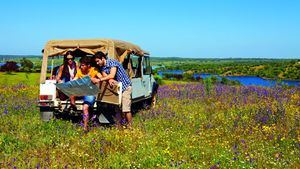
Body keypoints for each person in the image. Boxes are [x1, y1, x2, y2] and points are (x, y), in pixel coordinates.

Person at [93, 51, 133, 128]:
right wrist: (109, 80)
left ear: (103, 58)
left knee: (126, 108)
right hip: (117, 88)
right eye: (96, 62)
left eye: (98, 61)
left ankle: (130, 126)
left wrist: (99, 80)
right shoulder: (102, 68)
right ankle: (121, 125)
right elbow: (107, 77)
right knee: (118, 108)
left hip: (125, 87)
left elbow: (112, 75)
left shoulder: (112, 62)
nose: (97, 63)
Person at [72, 56, 102, 132]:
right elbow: (74, 80)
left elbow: (101, 79)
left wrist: (94, 80)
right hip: (82, 90)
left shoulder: (94, 70)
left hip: (90, 91)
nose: (81, 67)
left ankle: (85, 127)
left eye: (82, 65)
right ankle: (72, 103)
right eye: (80, 65)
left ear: (88, 66)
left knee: (85, 108)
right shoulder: (79, 71)